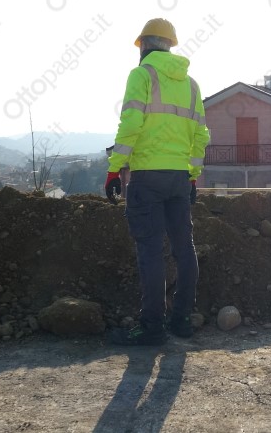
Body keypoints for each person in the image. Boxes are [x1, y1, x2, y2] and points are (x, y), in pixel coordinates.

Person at [105, 18, 210, 345]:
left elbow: (131, 124)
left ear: (145, 45)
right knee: (184, 249)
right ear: (170, 45)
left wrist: (114, 169)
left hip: (147, 178)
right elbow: (201, 136)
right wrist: (192, 177)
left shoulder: (141, 75)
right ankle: (182, 321)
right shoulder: (191, 85)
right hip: (179, 179)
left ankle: (152, 328)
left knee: (150, 253)